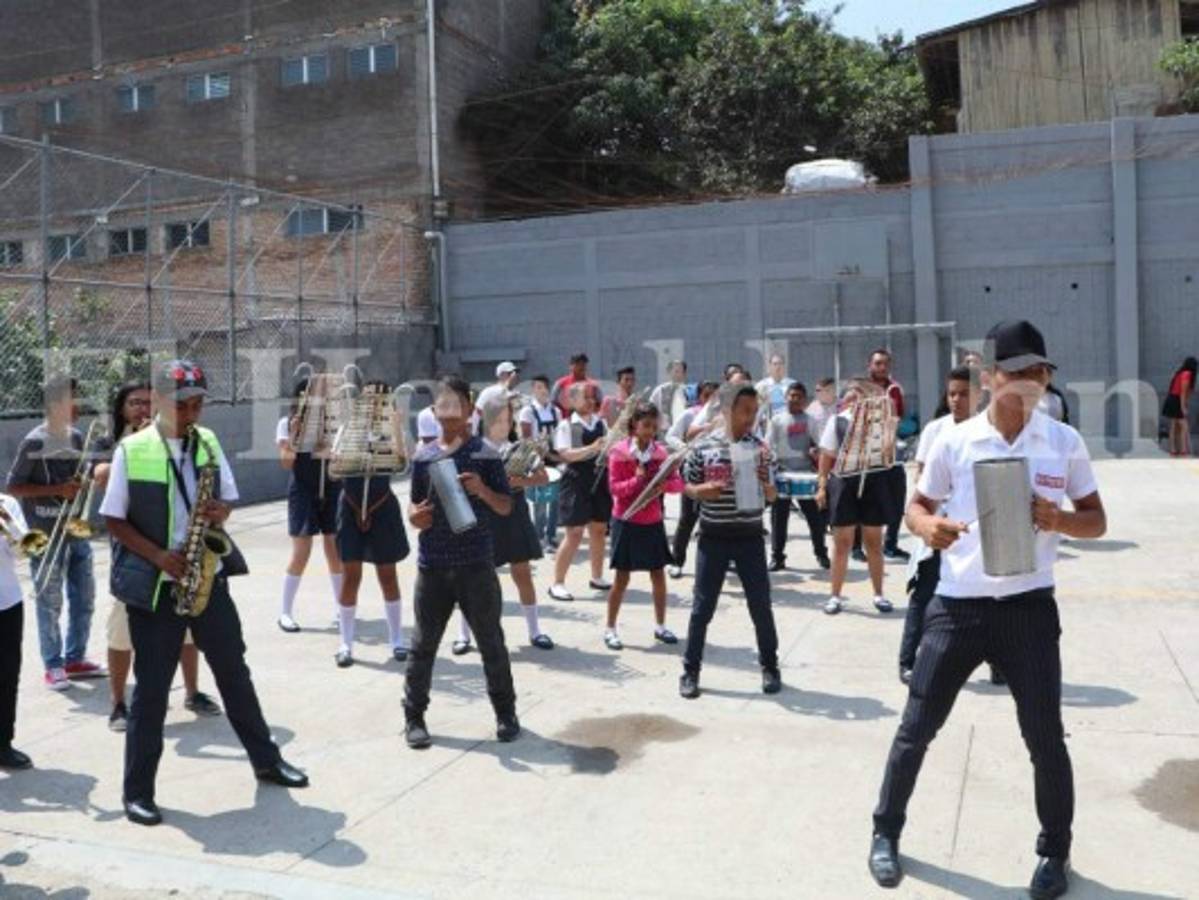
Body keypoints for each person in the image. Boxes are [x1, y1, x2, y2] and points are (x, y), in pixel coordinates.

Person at [869, 320, 1106, 900]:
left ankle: (1054, 852)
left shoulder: (1062, 442)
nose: (1031, 381)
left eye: (1040, 371)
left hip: (1029, 610)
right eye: (1019, 371)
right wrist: (928, 526)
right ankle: (885, 831)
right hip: (958, 608)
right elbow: (916, 507)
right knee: (916, 727)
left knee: (1045, 739)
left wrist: (1059, 520)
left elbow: (1096, 520)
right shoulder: (955, 441)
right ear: (992, 376)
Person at [101, 359, 308, 827]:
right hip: (157, 586)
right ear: (159, 401)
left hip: (206, 579)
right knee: (152, 691)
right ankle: (138, 792)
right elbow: (113, 519)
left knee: (235, 673)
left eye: (197, 403)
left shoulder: (207, 441)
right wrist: (159, 556)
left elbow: (228, 498)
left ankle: (267, 761)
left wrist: (220, 512)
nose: (192, 412)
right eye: (183, 405)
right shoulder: (132, 449)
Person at [95, 382, 221, 732]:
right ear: (121, 408)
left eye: (148, 403)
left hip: (181, 555)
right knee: (122, 634)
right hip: (134, 561)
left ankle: (192, 692)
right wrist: (136, 444)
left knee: (188, 631)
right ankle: (119, 703)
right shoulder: (113, 443)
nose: (142, 409)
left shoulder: (185, 440)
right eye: (134, 402)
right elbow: (100, 477)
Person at [404, 376, 520, 750]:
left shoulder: (485, 453)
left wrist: (482, 490)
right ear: (434, 411)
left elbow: (506, 506)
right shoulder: (423, 457)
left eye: (457, 404)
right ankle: (414, 717)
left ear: (470, 410)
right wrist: (415, 517)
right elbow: (414, 506)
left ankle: (506, 713)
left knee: (491, 643)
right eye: (444, 404)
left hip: (476, 565)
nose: (450, 411)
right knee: (423, 645)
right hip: (433, 566)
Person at [678, 382, 781, 700]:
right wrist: (701, 491)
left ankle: (770, 666)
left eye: (754, 411)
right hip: (713, 538)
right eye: (745, 410)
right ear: (726, 410)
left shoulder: (761, 449)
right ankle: (690, 671)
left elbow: (773, 497)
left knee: (760, 607)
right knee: (702, 609)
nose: (751, 418)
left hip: (750, 538)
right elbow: (686, 486)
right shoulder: (703, 447)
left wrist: (767, 486)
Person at [6, 375, 104, 690]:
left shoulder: (77, 437)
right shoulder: (34, 441)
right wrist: (57, 490)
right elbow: (13, 487)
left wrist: (86, 482)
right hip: (42, 533)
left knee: (84, 597)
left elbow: (81, 479)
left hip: (74, 528)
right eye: (73, 400)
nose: (78, 406)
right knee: (49, 601)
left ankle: (75, 658)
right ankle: (53, 664)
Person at [896, 366, 981, 686]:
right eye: (952, 394)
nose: (956, 400)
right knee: (924, 593)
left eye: (964, 394)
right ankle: (907, 661)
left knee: (987, 598)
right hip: (938, 525)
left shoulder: (987, 430)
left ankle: (998, 664)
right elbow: (922, 478)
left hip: (975, 530)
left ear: (979, 395)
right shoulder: (935, 430)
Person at [453, 397, 555, 654]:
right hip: (483, 515)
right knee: (475, 578)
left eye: (507, 420)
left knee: (523, 573)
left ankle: (535, 631)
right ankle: (463, 635)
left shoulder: (519, 447)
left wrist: (519, 481)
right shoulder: (473, 448)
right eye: (498, 420)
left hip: (515, 513)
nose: (503, 424)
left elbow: (543, 478)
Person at [332, 381, 411, 669]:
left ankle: (397, 640)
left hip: (381, 507)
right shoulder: (347, 430)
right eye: (369, 400)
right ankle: (346, 643)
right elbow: (334, 470)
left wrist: (397, 428)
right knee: (350, 575)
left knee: (387, 574)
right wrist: (350, 457)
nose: (374, 406)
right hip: (351, 506)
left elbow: (402, 465)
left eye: (380, 401)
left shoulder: (391, 431)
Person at [603, 402, 684, 650]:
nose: (650, 431)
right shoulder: (619, 452)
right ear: (634, 425)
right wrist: (636, 481)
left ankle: (660, 626)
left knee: (658, 575)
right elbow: (614, 489)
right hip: (626, 520)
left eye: (653, 426)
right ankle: (610, 629)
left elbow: (678, 484)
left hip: (652, 521)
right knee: (621, 578)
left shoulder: (661, 453)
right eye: (645, 425)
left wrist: (664, 486)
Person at [816, 382, 895, 616]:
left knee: (874, 542)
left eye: (860, 396)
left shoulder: (880, 421)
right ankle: (835, 596)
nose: (855, 401)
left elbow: (888, 453)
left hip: (873, 480)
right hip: (844, 482)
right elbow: (826, 456)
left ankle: (879, 594)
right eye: (851, 397)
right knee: (842, 542)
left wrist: (889, 428)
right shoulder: (837, 421)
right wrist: (822, 486)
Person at [275, 378, 344, 634]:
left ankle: (342, 608)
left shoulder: (334, 424)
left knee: (335, 550)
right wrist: (294, 436)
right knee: (301, 551)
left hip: (332, 486)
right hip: (303, 490)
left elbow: (341, 461)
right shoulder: (287, 423)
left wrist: (333, 453)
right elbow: (286, 462)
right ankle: (285, 612)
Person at [547, 382, 612, 601]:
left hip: (599, 478)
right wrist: (593, 448)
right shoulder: (566, 425)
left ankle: (597, 576)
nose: (591, 401)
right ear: (572, 401)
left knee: (599, 529)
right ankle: (557, 583)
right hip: (575, 480)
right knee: (574, 532)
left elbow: (609, 449)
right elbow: (565, 454)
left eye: (593, 396)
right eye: (586, 397)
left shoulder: (601, 423)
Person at [854, 349, 909, 563]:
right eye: (877, 363)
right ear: (869, 365)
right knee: (862, 500)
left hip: (889, 452)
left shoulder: (895, 389)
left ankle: (891, 545)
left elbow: (897, 418)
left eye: (885, 363)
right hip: (866, 454)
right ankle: (856, 547)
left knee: (897, 497)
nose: (882, 367)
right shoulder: (859, 389)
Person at [767, 383, 829, 572]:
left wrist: (816, 452)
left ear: (804, 400)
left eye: (799, 396)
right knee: (779, 519)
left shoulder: (810, 420)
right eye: (792, 395)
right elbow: (768, 445)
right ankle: (777, 557)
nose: (795, 399)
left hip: (805, 475)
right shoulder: (777, 420)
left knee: (814, 518)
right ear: (786, 397)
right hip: (782, 475)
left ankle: (821, 553)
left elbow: (820, 444)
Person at [666, 381, 719, 579]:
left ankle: (716, 564)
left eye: (715, 396)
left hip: (715, 470)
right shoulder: (690, 414)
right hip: (692, 469)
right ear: (699, 397)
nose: (711, 400)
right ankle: (676, 561)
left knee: (714, 519)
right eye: (707, 395)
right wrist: (686, 449)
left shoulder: (724, 416)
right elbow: (671, 436)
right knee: (688, 517)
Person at [0, 492, 34, 770]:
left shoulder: (7, 504)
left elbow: (25, 550)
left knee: (8, 675)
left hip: (7, 602)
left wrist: (8, 522)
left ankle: (3, 744)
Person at [518, 375, 561, 550]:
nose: (542, 390)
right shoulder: (527, 411)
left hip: (554, 458)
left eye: (544, 387)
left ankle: (551, 535)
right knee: (540, 500)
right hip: (536, 459)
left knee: (555, 498)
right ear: (533, 390)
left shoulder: (555, 411)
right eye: (538, 387)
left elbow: (559, 435)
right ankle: (538, 537)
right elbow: (526, 439)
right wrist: (537, 456)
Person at [1163, 356, 1195, 457]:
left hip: (1172, 398)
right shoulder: (1187, 374)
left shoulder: (1180, 373)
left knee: (1174, 425)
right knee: (1184, 426)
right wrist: (1183, 407)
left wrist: (1184, 404)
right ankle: (1183, 450)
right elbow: (1182, 392)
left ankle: (1173, 450)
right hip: (1176, 399)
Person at [551, 352, 600, 417]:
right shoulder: (560, 384)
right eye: (578, 364)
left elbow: (599, 404)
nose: (582, 367)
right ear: (571, 366)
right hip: (567, 420)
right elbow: (553, 404)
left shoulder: (593, 385)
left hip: (588, 421)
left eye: (584, 364)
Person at [649, 360, 690, 433]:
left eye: (681, 372)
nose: (678, 375)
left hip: (683, 431)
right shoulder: (660, 390)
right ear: (669, 372)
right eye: (676, 371)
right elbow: (651, 408)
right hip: (663, 431)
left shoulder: (688, 391)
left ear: (684, 374)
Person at [755, 353, 795, 418]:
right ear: (770, 366)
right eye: (775, 364)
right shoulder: (760, 385)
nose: (778, 367)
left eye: (780, 364)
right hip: (767, 420)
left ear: (784, 366)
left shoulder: (793, 385)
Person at [805, 377, 837, 444]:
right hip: (819, 446)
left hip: (839, 445)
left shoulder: (843, 405)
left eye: (826, 390)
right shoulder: (812, 408)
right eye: (817, 390)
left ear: (833, 391)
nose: (819, 393)